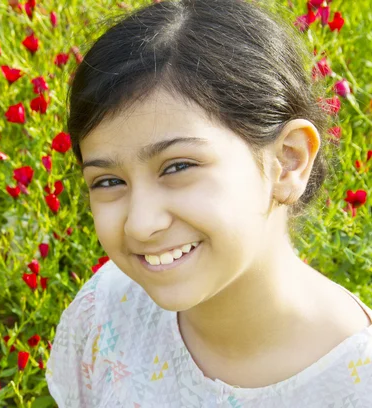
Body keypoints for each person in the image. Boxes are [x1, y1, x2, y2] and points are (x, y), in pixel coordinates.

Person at [44, 0, 372, 407]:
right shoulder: (108, 308)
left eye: (178, 166)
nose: (141, 225)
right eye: (109, 181)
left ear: (288, 161)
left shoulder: (355, 387)